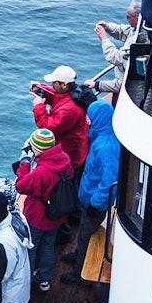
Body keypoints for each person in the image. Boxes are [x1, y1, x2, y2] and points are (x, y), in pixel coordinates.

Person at [61, 101, 121, 284]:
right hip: (89, 193)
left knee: (87, 233)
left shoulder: (106, 147)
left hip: (95, 200)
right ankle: (78, 254)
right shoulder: (104, 134)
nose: (87, 119)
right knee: (84, 229)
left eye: (90, 116)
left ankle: (82, 273)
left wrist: (95, 203)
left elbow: (110, 179)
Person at [14, 128, 73, 291]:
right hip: (57, 213)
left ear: (37, 149)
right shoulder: (65, 159)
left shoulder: (41, 171)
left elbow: (21, 185)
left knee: (31, 249)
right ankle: (44, 279)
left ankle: (27, 280)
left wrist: (25, 161)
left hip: (39, 217)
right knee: (48, 245)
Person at [31, 65, 89, 173]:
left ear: (64, 85)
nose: (51, 84)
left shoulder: (70, 110)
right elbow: (57, 97)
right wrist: (41, 89)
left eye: (54, 82)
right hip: (71, 149)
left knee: (66, 183)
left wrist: (38, 106)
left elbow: (47, 128)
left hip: (70, 157)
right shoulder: (71, 94)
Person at [85, 2, 148, 96]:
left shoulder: (138, 42)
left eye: (128, 17)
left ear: (137, 18)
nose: (126, 19)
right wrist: (107, 27)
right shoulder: (139, 28)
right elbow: (123, 31)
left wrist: (104, 39)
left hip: (126, 87)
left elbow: (115, 57)